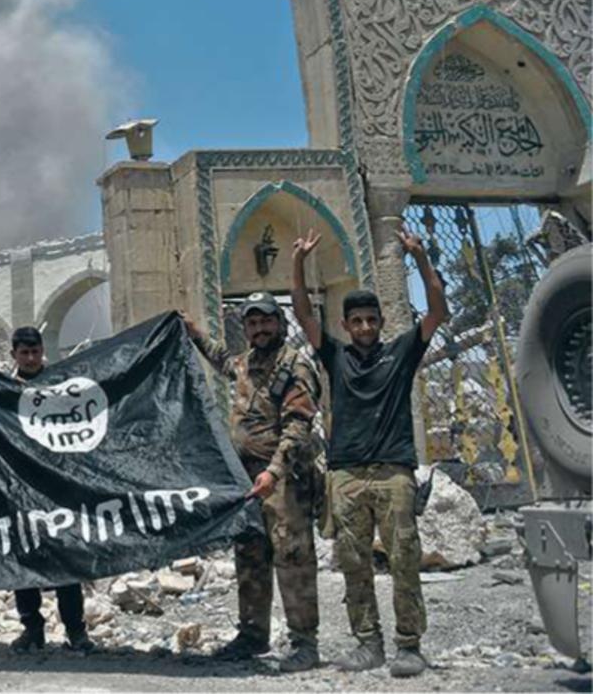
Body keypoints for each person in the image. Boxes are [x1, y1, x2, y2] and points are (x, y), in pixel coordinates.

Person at [290, 226, 447, 678]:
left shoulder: (400, 352)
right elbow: (302, 315)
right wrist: (299, 262)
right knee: (355, 564)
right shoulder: (335, 356)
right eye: (356, 321)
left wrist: (419, 257)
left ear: (380, 323)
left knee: (403, 560)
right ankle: (368, 644)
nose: (363, 328)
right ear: (346, 325)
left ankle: (409, 645)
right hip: (346, 475)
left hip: (393, 472)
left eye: (371, 321)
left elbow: (437, 310)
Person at [183, 294, 321, 672]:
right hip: (246, 479)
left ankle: (305, 643)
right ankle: (252, 635)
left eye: (266, 322)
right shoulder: (247, 364)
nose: (260, 329)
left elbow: (298, 428)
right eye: (253, 323)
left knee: (291, 557)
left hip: (283, 479)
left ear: (280, 323)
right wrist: (194, 333)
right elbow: (223, 360)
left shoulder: (295, 366)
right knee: (250, 554)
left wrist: (273, 472)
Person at [5, 326, 96, 654]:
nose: (30, 358)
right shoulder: (2, 389)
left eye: (35, 352)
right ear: (14, 354)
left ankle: (76, 630)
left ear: (42, 351)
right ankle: (32, 629)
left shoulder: (60, 387)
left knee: (65, 558)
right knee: (24, 559)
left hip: (57, 487)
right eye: (24, 353)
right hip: (19, 487)